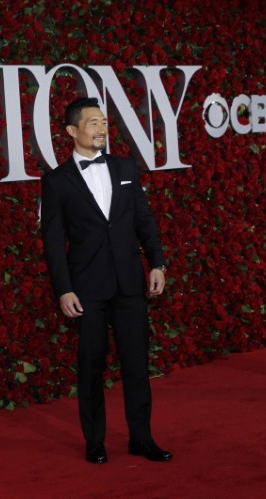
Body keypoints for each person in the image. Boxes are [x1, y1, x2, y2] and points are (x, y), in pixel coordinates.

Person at [40, 97, 172, 464]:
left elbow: (144, 220)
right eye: (93, 122)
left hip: (130, 284)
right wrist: (64, 288)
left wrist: (157, 264)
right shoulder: (56, 182)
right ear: (71, 131)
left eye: (103, 122)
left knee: (136, 366)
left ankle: (141, 438)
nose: (101, 129)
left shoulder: (126, 166)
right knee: (91, 368)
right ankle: (95, 441)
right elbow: (52, 240)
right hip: (87, 289)